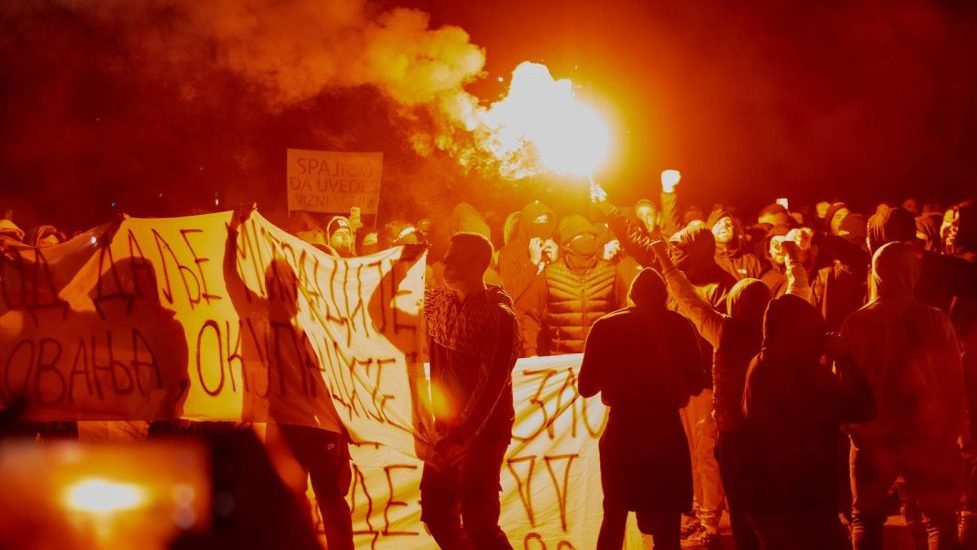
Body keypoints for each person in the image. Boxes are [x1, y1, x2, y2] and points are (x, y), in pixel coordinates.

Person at [841, 242, 966, 550]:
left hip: (872, 436)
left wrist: (850, 428)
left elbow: (843, 383)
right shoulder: (935, 319)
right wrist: (954, 432)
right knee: (939, 519)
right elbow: (953, 380)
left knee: (866, 519)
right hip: (926, 433)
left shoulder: (856, 322)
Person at [579, 267, 707, 550]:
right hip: (665, 431)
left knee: (614, 513)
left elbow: (585, 387)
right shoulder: (681, 326)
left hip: (623, 431)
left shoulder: (605, 326)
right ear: (664, 298)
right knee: (667, 521)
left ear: (631, 296)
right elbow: (697, 384)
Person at [421, 232, 519, 550]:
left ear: (478, 264)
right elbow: (382, 309)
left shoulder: (499, 317)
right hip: (447, 429)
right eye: (445, 255)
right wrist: (401, 261)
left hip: (483, 433)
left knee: (479, 523)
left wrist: (462, 436)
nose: (445, 262)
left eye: (454, 257)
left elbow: (492, 384)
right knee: (436, 513)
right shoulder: (438, 303)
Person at [521, 215, 630, 354]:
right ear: (567, 244)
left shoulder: (610, 272)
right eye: (579, 237)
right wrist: (530, 352)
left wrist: (625, 349)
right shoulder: (550, 274)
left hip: (602, 357)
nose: (585, 241)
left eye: (589, 236)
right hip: (563, 360)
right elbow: (531, 316)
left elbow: (625, 313)